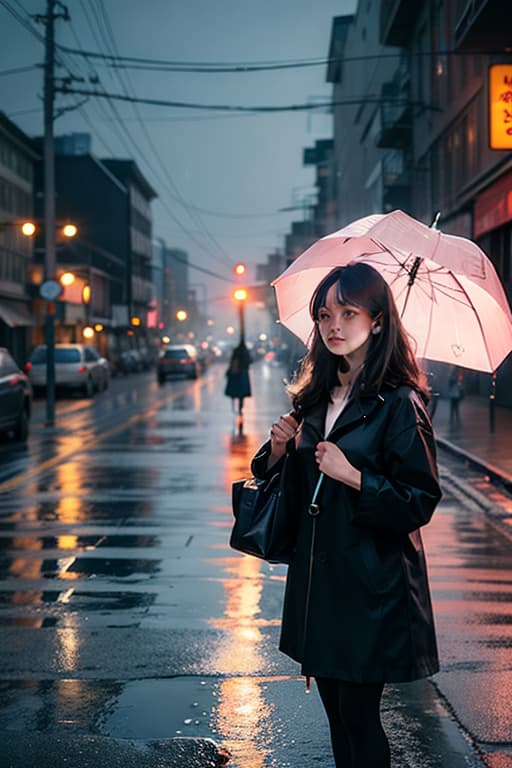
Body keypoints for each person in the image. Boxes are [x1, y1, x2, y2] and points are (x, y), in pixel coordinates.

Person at [251, 263, 442, 768]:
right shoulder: (315, 399)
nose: (333, 324)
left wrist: (353, 475)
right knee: (336, 716)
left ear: (377, 322)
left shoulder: (400, 404)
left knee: (360, 718)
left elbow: (419, 499)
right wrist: (276, 451)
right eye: (324, 314)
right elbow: (290, 483)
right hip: (319, 583)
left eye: (349, 312)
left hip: (371, 588)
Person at [224, 341, 252, 416]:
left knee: (235, 392)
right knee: (241, 394)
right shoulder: (245, 352)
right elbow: (249, 361)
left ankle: (235, 407)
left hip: (237, 375)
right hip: (242, 374)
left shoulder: (237, 352)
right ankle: (239, 408)